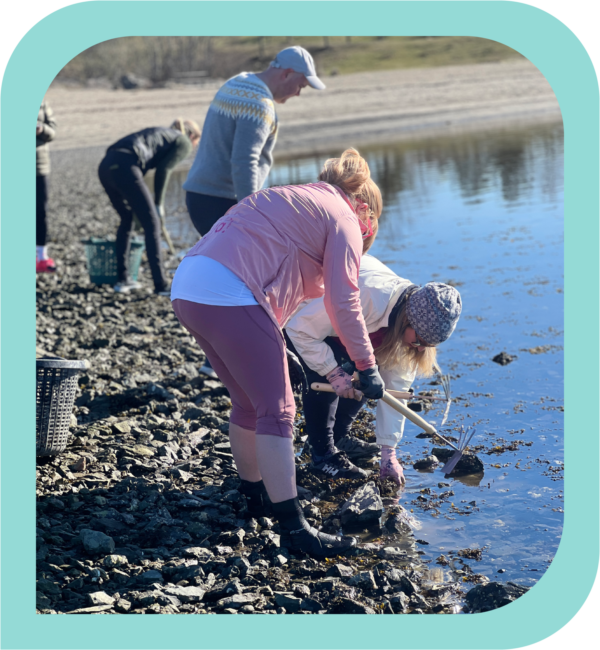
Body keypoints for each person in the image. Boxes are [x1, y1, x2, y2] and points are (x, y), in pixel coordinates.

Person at [171, 149, 383, 557]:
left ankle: (258, 500)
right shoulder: (344, 218)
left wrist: (279, 345)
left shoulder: (296, 196)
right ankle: (295, 530)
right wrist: (366, 365)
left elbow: (270, 274)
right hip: (228, 292)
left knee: (248, 404)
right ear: (365, 212)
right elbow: (344, 302)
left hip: (189, 285)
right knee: (278, 409)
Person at [183, 45, 325, 378]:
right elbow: (244, 162)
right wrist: (255, 214)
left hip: (200, 195)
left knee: (234, 278)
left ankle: (218, 359)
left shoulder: (237, 82)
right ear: (287, 74)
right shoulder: (259, 104)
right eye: (301, 85)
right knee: (254, 280)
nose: (299, 92)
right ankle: (241, 358)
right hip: (223, 200)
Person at [286, 255, 462, 485]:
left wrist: (389, 451)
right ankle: (322, 454)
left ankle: (338, 437)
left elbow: (394, 386)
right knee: (326, 371)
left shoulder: (405, 322)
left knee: (369, 378)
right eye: (419, 342)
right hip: (294, 315)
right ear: (408, 320)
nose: (419, 349)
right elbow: (301, 330)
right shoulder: (368, 297)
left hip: (333, 329)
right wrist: (333, 372)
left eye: (427, 347)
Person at [98, 119, 201, 294]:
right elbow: (164, 170)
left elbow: (142, 168)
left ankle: (123, 280)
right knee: (152, 223)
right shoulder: (182, 141)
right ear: (192, 136)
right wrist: (158, 204)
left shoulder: (162, 135)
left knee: (127, 218)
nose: (191, 148)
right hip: (125, 165)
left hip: (106, 165)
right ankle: (161, 285)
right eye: (194, 144)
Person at [36, 100, 57, 273]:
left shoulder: (43, 103)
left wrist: (42, 129)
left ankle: (41, 256)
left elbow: (53, 131)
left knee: (41, 211)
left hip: (39, 167)